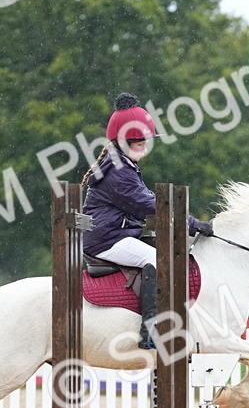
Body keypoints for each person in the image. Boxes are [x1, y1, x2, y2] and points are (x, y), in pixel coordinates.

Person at [81, 92, 213, 348]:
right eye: (139, 141)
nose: (145, 145)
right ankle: (151, 330)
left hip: (115, 235)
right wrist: (192, 223)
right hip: (107, 240)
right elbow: (150, 206)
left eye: (146, 140)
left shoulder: (123, 164)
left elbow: (149, 200)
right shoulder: (119, 171)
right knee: (156, 259)